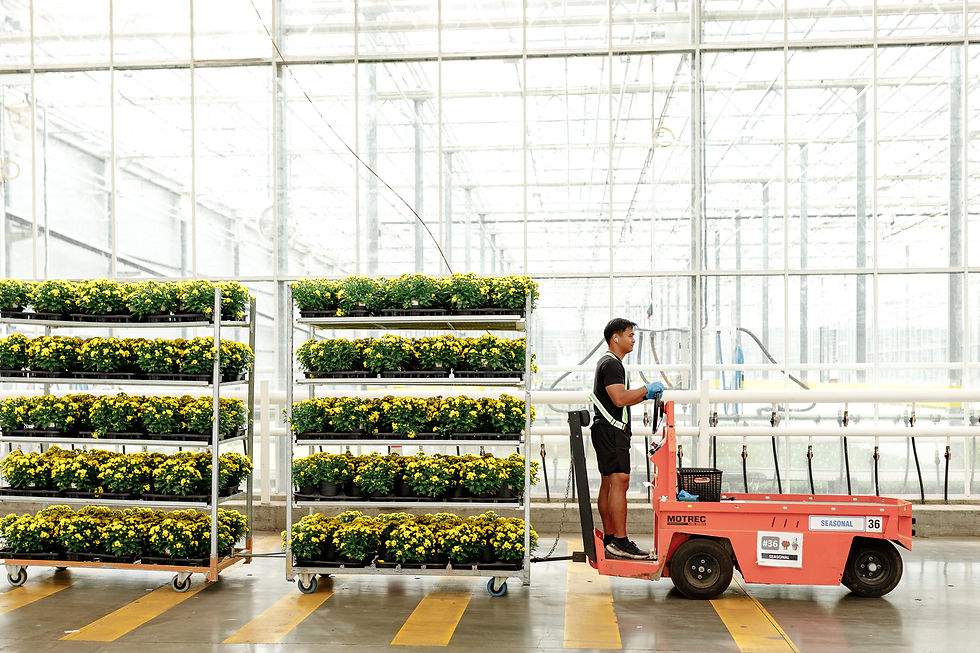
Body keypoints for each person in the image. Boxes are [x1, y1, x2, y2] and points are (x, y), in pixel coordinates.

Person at [588, 317, 663, 559]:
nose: (633, 340)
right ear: (615, 338)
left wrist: (643, 395)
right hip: (612, 431)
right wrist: (646, 390)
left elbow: (618, 398)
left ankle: (611, 539)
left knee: (610, 482)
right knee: (620, 481)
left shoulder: (608, 362)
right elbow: (619, 399)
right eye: (630, 335)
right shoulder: (612, 365)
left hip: (606, 430)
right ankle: (620, 541)